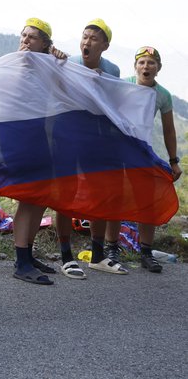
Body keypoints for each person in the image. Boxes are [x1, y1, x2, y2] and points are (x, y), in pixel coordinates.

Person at [55, 19, 128, 276]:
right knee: (65, 194)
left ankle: (98, 255)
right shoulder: (67, 62)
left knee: (101, 194)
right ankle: (66, 256)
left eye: (93, 38)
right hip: (68, 135)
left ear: (105, 45)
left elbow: (113, 105)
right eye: (84, 36)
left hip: (97, 138)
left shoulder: (113, 70)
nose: (87, 42)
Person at [8, 18, 68, 284]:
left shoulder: (48, 64)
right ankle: (21, 262)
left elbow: (64, 89)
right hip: (20, 137)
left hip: (42, 138)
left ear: (45, 43)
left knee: (40, 198)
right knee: (28, 198)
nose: (25, 40)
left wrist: (60, 61)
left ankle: (28, 255)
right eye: (23, 35)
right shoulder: (14, 64)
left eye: (32, 37)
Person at [123, 46, 182, 272]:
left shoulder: (163, 95)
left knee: (148, 201)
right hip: (120, 149)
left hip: (143, 152)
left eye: (151, 63)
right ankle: (110, 249)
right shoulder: (123, 84)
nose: (146, 66)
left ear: (158, 68)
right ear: (135, 66)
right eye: (142, 62)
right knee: (116, 198)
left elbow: (168, 131)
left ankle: (145, 252)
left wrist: (174, 160)